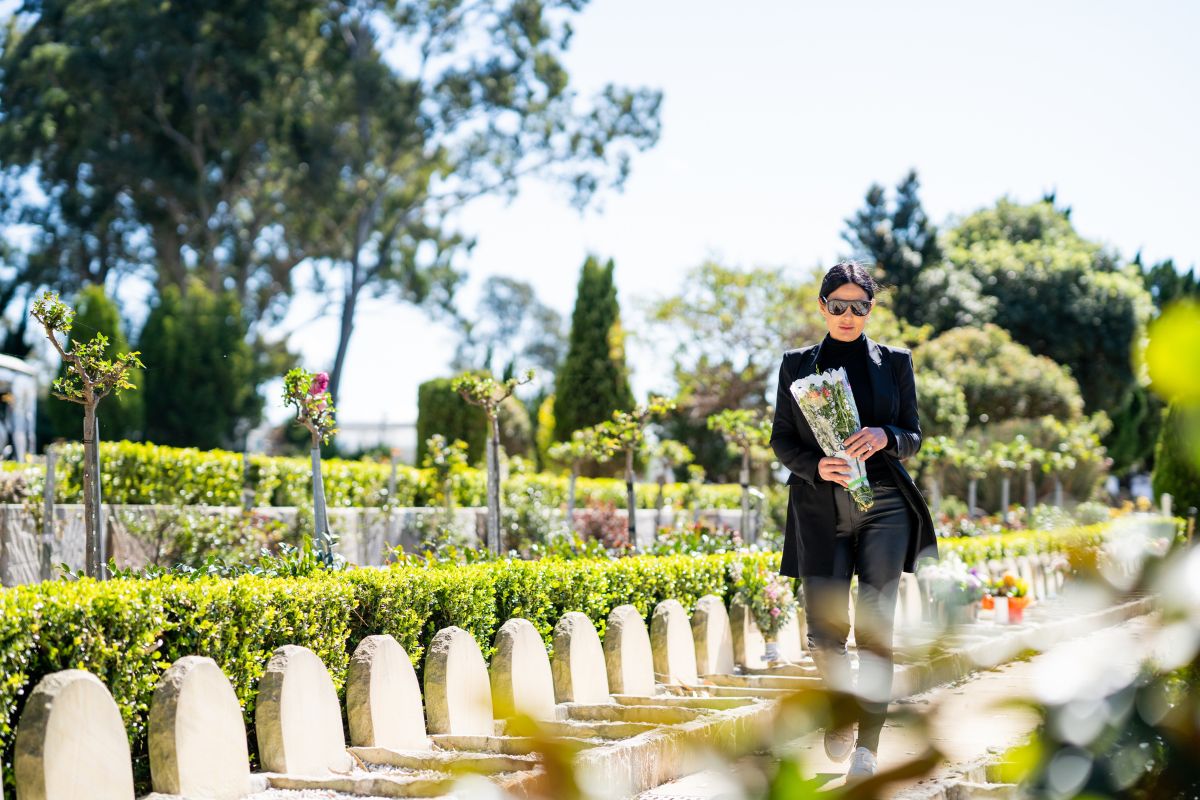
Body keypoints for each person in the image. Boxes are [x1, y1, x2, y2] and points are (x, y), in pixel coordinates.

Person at [769, 260, 937, 781]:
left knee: (875, 631)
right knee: (824, 633)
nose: (847, 315)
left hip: (885, 508)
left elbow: (913, 434)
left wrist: (887, 436)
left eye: (858, 307)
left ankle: (869, 748)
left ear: (869, 309)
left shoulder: (896, 362)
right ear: (823, 307)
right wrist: (815, 465)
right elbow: (781, 439)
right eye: (837, 306)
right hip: (820, 511)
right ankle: (842, 710)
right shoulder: (796, 364)